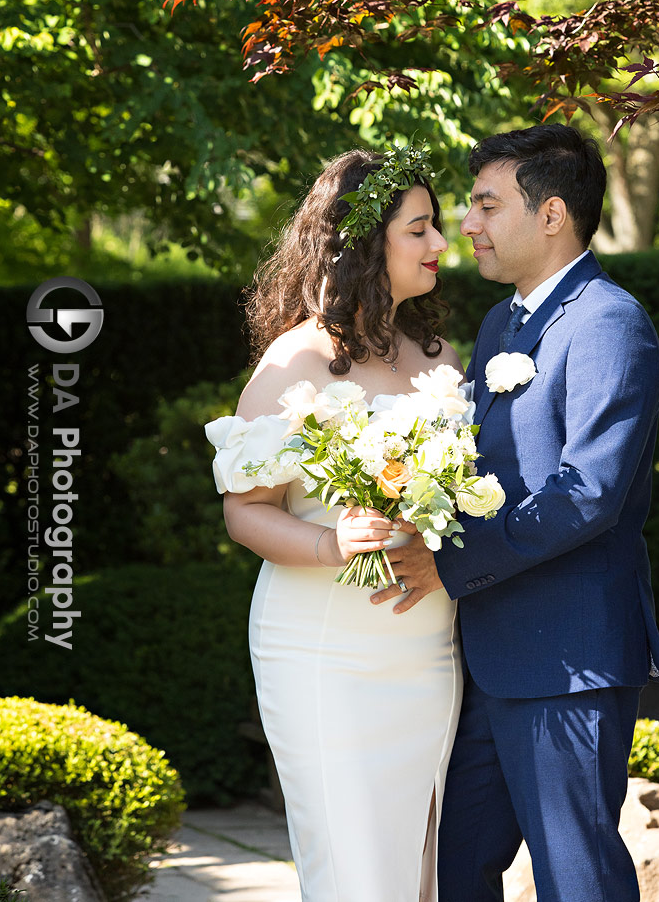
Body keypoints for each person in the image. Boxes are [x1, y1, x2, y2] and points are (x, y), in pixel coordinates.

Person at [372, 123, 659, 902]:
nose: (465, 225)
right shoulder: (501, 323)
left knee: (575, 879)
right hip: (482, 655)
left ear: (550, 216)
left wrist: (446, 565)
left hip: (564, 659)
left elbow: (587, 494)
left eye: (484, 205)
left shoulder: (608, 322)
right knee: (455, 868)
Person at [205, 146, 465, 902]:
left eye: (436, 227)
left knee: (424, 870)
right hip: (325, 651)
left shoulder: (437, 356)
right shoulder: (296, 361)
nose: (440, 244)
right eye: (419, 229)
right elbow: (244, 513)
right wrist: (329, 542)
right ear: (366, 242)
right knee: (354, 871)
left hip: (427, 647)